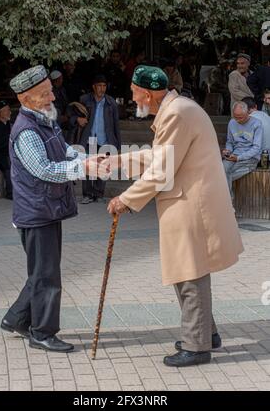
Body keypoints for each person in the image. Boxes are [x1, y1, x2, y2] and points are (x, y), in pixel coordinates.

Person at [106, 65, 243, 367]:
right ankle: (207, 334)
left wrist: (125, 200)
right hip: (188, 202)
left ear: (148, 92)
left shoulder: (177, 113)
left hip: (191, 204)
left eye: (133, 92)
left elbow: (160, 169)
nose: (131, 98)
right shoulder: (177, 110)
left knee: (190, 274)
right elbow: (159, 157)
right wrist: (113, 161)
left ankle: (197, 347)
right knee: (186, 271)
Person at [0, 65, 107, 353]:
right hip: (36, 212)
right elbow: (43, 170)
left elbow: (63, 150)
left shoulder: (44, 121)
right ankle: (42, 333)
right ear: (26, 99)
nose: (52, 98)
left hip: (45, 208)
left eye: (50, 91)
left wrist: (87, 158)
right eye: (44, 94)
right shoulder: (26, 130)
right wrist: (81, 167)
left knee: (42, 270)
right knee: (46, 275)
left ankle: (17, 319)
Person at [78, 74, 121, 204]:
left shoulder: (111, 102)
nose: (102, 89)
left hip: (104, 139)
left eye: (104, 86)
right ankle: (87, 194)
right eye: (99, 86)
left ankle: (99, 194)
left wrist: (117, 144)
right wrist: (78, 120)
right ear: (94, 87)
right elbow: (73, 116)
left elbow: (116, 125)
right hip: (89, 138)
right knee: (87, 166)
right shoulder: (85, 100)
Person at [222, 102, 262, 199]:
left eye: (241, 117)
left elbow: (256, 148)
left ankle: (228, 202)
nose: (238, 120)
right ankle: (228, 203)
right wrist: (228, 150)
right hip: (234, 155)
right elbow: (230, 142)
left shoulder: (257, 124)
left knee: (223, 176)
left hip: (251, 158)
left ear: (248, 113)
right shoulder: (232, 122)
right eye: (236, 117)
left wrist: (239, 158)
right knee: (221, 170)